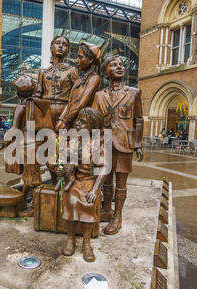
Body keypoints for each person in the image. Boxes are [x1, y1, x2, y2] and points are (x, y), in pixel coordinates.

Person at [92, 55, 144, 234]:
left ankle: (118, 216)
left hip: (124, 143)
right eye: (113, 65)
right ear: (106, 73)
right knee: (106, 180)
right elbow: (94, 120)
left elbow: (138, 120)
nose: (119, 67)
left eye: (121, 64)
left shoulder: (134, 92)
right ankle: (106, 210)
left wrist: (138, 143)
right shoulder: (99, 95)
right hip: (104, 143)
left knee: (121, 183)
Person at [56, 108, 106, 263]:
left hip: (88, 181)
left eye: (83, 122)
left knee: (87, 203)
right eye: (77, 120)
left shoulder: (96, 144)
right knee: (70, 199)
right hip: (73, 180)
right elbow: (60, 162)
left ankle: (86, 242)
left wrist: (95, 188)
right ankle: (70, 238)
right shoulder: (70, 142)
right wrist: (61, 170)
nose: (77, 123)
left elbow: (103, 168)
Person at [56, 41, 101, 131]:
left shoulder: (94, 78)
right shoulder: (79, 80)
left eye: (80, 57)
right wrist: (61, 119)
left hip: (82, 124)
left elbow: (82, 103)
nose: (77, 61)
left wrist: (66, 120)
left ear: (90, 60)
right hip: (72, 121)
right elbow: (70, 103)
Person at [35, 35, 79, 127]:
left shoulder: (72, 70)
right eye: (57, 43)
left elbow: (76, 96)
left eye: (64, 44)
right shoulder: (43, 72)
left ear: (68, 51)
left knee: (61, 140)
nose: (60, 46)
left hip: (64, 111)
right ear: (51, 48)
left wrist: (66, 117)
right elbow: (38, 95)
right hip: (45, 111)